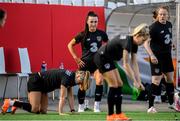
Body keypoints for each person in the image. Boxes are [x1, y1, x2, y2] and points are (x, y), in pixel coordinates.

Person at [94, 23, 150, 121]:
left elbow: (134, 63)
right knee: (114, 85)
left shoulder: (134, 44)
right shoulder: (128, 42)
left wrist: (139, 81)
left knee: (119, 84)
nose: (143, 42)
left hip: (109, 59)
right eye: (143, 39)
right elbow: (126, 64)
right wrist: (135, 82)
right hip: (101, 57)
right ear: (137, 35)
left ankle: (119, 114)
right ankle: (110, 116)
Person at [68, 11, 108, 112]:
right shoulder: (82, 34)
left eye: (95, 21)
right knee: (83, 86)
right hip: (84, 63)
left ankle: (96, 106)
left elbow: (108, 44)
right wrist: (76, 58)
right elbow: (69, 45)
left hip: (97, 63)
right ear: (87, 22)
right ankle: (81, 106)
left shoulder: (101, 33)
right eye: (91, 22)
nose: (94, 24)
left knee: (99, 80)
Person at [1, 69, 90, 115]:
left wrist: (72, 110)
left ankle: (15, 104)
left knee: (43, 111)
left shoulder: (73, 77)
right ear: (79, 77)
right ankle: (10, 102)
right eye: (81, 82)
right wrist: (60, 112)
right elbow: (62, 97)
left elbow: (70, 96)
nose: (80, 84)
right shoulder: (68, 78)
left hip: (44, 88)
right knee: (34, 109)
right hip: (36, 81)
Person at [144, 5, 175, 113]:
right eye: (160, 14)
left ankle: (172, 104)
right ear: (157, 15)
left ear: (168, 15)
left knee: (170, 78)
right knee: (156, 81)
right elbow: (146, 43)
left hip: (167, 56)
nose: (162, 16)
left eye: (164, 14)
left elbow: (167, 38)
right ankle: (150, 107)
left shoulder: (169, 24)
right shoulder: (153, 27)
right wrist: (151, 55)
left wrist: (172, 44)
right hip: (156, 57)